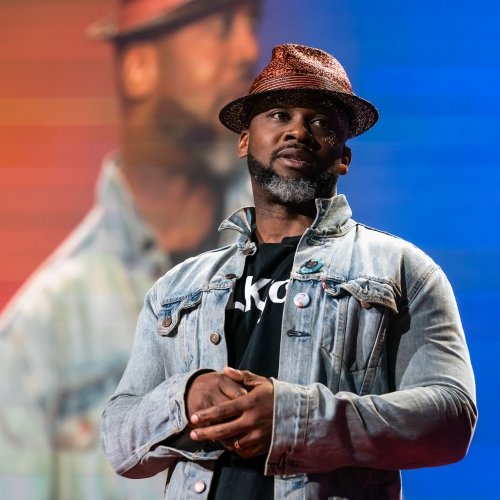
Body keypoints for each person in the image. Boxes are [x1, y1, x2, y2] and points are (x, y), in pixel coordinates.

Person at [101, 43, 478, 499]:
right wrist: (185, 398)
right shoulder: (178, 287)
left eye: (321, 122)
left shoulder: (403, 269)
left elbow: (451, 419)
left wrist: (294, 418)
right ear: (245, 141)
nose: (298, 130)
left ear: (343, 157)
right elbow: (119, 441)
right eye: (279, 114)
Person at [0, 1, 259, 499]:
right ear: (140, 67)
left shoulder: (314, 273)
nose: (247, 51)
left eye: (251, 26)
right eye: (222, 28)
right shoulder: (37, 338)